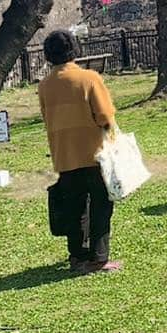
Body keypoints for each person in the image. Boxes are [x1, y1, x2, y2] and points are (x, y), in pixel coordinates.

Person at [37, 29, 122, 274]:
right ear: (75, 50)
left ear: (48, 55)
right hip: (95, 154)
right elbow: (105, 116)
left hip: (64, 154)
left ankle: (77, 256)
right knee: (101, 205)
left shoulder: (45, 85)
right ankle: (99, 257)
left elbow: (46, 117)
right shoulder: (89, 78)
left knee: (75, 208)